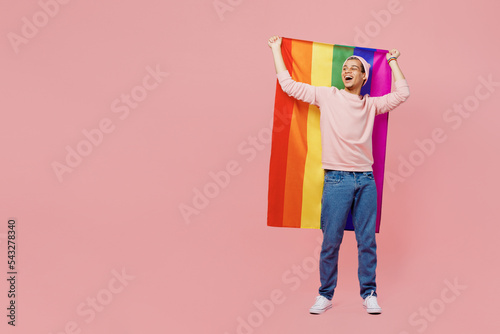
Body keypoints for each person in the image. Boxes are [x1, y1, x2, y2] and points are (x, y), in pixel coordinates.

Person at [267, 35, 410, 315]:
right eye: (345, 68)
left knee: (366, 241)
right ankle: (325, 294)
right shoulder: (327, 96)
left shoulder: (371, 105)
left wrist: (392, 62)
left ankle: (369, 294)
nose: (347, 71)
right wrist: (275, 49)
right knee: (331, 240)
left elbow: (403, 93)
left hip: (366, 181)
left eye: (354, 68)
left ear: (364, 76)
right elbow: (289, 86)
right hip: (337, 180)